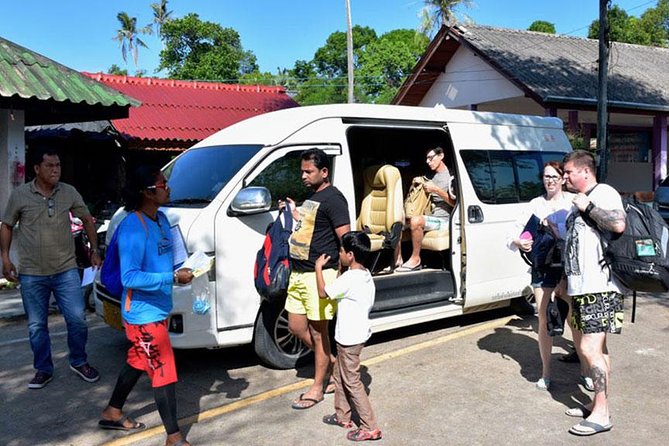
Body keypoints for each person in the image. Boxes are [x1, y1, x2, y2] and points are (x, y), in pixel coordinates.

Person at [98, 166, 194, 446]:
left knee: (138, 359)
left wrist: (188, 270)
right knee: (164, 369)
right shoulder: (132, 227)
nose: (168, 189)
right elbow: (129, 277)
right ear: (147, 192)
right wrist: (172, 277)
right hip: (142, 314)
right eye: (163, 184)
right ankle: (174, 437)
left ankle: (112, 411)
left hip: (160, 308)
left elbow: (176, 259)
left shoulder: (163, 220)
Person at [1, 147, 101, 389]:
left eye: (58, 165)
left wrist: (95, 250)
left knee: (77, 319)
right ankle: (43, 369)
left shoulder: (68, 192)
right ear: (36, 169)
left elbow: (87, 218)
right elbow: (6, 224)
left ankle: (78, 361)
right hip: (32, 273)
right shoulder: (21, 195)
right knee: (37, 326)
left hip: (66, 270)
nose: (56, 170)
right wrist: (5, 258)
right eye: (50, 166)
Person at [562, 150, 626, 437]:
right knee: (598, 349)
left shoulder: (604, 192)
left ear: (584, 171)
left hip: (599, 286)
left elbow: (617, 224)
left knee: (588, 349)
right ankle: (596, 403)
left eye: (568, 172)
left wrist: (587, 207)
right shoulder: (579, 201)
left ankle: (602, 414)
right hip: (583, 286)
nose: (564, 177)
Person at [282, 148, 351, 410]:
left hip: (318, 275)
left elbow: (345, 239)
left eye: (308, 171)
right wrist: (293, 213)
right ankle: (333, 366)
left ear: (324, 172)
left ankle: (317, 387)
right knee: (296, 327)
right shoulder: (313, 197)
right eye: (302, 171)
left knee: (319, 333)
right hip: (299, 273)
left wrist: (345, 271)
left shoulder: (334, 199)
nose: (303, 176)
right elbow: (309, 228)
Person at [509, 161, 574, 391]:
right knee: (544, 319)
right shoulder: (535, 204)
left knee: (573, 319)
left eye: (555, 177)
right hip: (543, 268)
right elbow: (515, 234)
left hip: (568, 269)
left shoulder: (573, 203)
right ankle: (546, 373)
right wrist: (520, 241)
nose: (550, 181)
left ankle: (586, 369)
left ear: (563, 179)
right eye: (547, 177)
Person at [315, 231, 382, 442]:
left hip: (349, 338)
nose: (339, 254)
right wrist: (341, 270)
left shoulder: (350, 278)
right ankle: (342, 414)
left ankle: (370, 427)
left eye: (342, 251)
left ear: (350, 254)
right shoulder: (363, 275)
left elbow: (324, 293)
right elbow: (338, 289)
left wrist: (318, 268)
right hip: (357, 334)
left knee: (352, 381)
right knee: (339, 375)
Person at [396, 146, 456, 272]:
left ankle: (415, 259)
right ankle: (398, 259)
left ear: (441, 156)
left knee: (416, 221)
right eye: (426, 159)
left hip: (445, 220)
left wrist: (437, 190)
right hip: (431, 216)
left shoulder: (451, 177)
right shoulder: (429, 176)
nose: (428, 161)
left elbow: (455, 203)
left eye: (431, 158)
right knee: (398, 220)